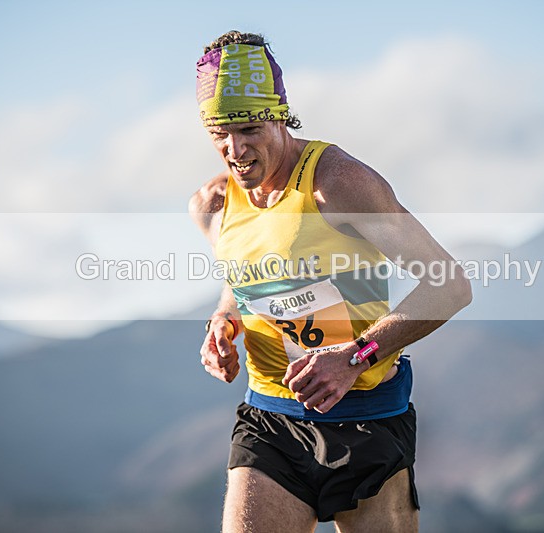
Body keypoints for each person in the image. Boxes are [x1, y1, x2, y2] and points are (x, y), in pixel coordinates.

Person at [189, 30, 472, 532]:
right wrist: (223, 322)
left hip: (367, 417)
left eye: (251, 128)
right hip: (271, 419)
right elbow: (246, 276)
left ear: (280, 114)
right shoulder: (213, 205)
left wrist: (352, 356)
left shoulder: (337, 183)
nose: (234, 149)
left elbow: (450, 284)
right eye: (219, 133)